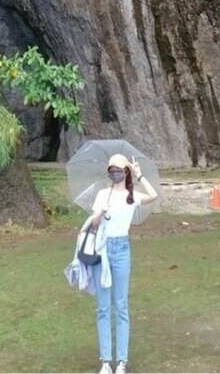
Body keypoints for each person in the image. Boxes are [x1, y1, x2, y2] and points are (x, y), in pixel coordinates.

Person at [89, 153, 159, 374]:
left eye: (118, 169)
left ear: (125, 171)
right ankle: (105, 362)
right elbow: (92, 225)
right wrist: (100, 213)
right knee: (102, 307)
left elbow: (153, 195)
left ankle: (121, 362)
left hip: (121, 250)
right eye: (111, 169)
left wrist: (140, 175)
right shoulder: (102, 194)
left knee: (121, 306)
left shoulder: (132, 195)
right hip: (102, 250)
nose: (114, 173)